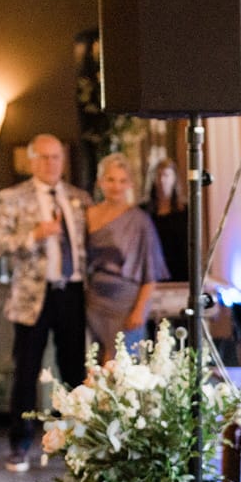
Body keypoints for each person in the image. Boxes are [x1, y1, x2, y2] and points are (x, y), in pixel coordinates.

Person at [0, 133, 91, 473]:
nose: (51, 164)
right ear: (32, 160)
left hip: (73, 291)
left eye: (56, 157)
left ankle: (77, 443)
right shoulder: (11, 198)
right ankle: (19, 445)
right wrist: (35, 235)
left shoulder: (79, 198)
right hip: (33, 296)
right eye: (44, 157)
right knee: (27, 370)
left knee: (74, 371)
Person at [85, 152, 169, 361]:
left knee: (122, 366)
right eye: (111, 179)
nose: (116, 186)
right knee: (95, 368)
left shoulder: (140, 221)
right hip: (93, 301)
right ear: (100, 182)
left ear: (130, 184)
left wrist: (140, 310)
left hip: (125, 304)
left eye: (122, 181)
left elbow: (151, 273)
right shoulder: (88, 215)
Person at [141, 158, 189, 282]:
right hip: (152, 274)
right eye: (159, 175)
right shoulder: (143, 211)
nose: (162, 180)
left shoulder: (186, 211)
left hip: (180, 273)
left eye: (166, 175)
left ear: (174, 178)